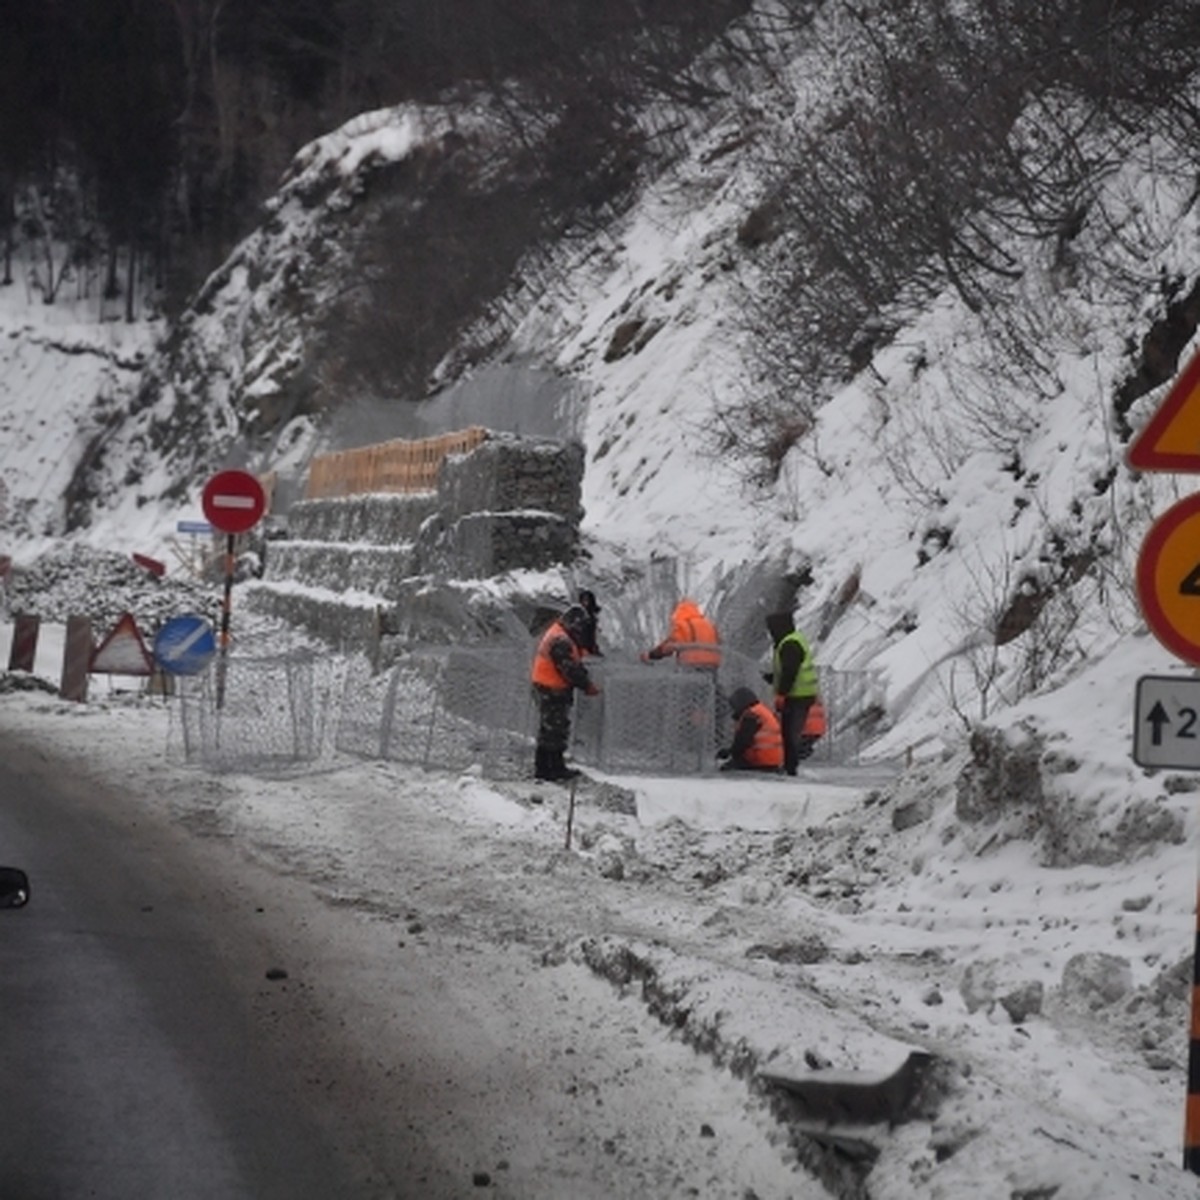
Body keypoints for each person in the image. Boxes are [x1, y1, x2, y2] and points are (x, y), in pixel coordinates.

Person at [530, 604, 601, 782]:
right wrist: (587, 685)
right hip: (552, 689)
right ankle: (552, 769)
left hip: (547, 686)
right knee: (555, 729)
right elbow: (569, 669)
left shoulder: (559, 633)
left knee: (549, 728)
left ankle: (546, 767)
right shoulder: (561, 640)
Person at [764, 610, 820, 776]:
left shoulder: (789, 644)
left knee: (790, 732)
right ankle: (790, 764)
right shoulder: (794, 639)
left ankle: (790, 767)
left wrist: (782, 693)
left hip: (797, 695)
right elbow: (789, 669)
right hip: (803, 693)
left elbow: (790, 671)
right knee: (790, 730)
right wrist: (773, 678)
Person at [641, 597, 721, 670]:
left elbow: (668, 648)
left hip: (691, 665)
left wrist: (651, 655)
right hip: (714, 665)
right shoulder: (709, 625)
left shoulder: (683, 625)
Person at [717, 687, 783, 772]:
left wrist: (729, 752)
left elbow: (743, 741)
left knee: (726, 769)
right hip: (773, 760)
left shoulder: (751, 714)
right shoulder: (762, 710)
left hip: (759, 760)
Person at [576, 589, 603, 657]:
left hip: (589, 646)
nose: (585, 602)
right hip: (583, 646)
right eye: (584, 600)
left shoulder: (591, 615)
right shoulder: (579, 614)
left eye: (587, 600)